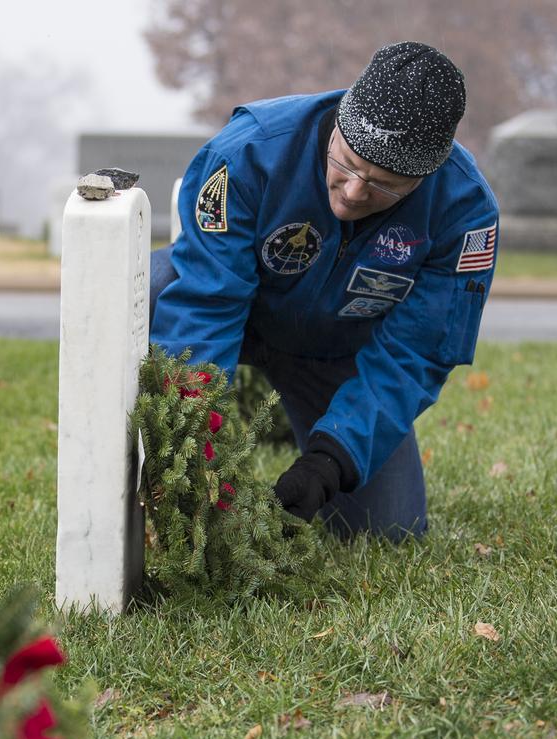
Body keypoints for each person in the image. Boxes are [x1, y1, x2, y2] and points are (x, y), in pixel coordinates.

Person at [150, 41, 498, 541]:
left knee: (389, 528)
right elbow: (209, 304)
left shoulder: (463, 214)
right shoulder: (248, 154)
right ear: (338, 122)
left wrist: (329, 461)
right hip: (241, 314)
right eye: (349, 163)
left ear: (425, 176)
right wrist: (193, 445)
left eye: (384, 184)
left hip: (335, 349)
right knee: (156, 287)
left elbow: (416, 351)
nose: (354, 192)